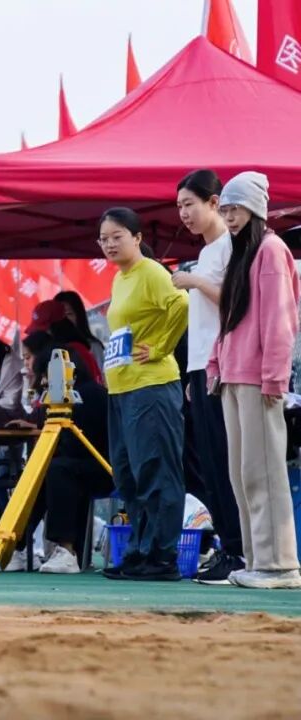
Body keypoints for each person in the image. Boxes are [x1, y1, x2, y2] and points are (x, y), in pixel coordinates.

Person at [207, 172, 301, 589]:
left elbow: (280, 320)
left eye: (236, 209)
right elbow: (229, 317)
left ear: (255, 210)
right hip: (235, 376)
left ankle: (279, 565)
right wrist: (216, 364)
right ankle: (258, 560)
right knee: (242, 474)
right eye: (225, 209)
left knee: (262, 471)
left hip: (259, 380)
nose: (229, 217)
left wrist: (274, 378)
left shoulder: (271, 249)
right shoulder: (243, 253)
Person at [98, 207, 189, 581]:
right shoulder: (120, 279)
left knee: (156, 471)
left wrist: (161, 347)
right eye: (103, 239)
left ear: (137, 238)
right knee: (128, 475)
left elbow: (181, 304)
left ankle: (162, 556)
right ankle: (139, 550)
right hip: (122, 388)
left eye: (117, 236)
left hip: (151, 385)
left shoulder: (151, 272)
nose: (109, 244)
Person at [170, 169, 245, 585]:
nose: (184, 214)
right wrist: (192, 372)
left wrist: (194, 281)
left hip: (224, 367)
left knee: (225, 461)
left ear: (214, 203)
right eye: (179, 206)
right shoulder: (206, 252)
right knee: (209, 465)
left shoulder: (231, 247)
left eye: (189, 204)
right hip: (200, 368)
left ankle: (238, 550)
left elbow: (235, 301)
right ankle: (228, 547)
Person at [7, 345, 112, 573]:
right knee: (37, 473)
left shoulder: (89, 395)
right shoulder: (57, 399)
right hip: (75, 463)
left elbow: (80, 444)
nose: (43, 382)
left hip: (102, 467)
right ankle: (17, 546)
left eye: (45, 376)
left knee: (57, 470)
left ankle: (66, 550)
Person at [25, 300, 103, 384]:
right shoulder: (74, 349)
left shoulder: (72, 352)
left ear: (57, 327)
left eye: (42, 331)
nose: (37, 337)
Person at [53, 290, 107, 371]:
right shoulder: (51, 352)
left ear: (79, 316)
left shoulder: (93, 347)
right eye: (60, 316)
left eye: (69, 314)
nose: (64, 320)